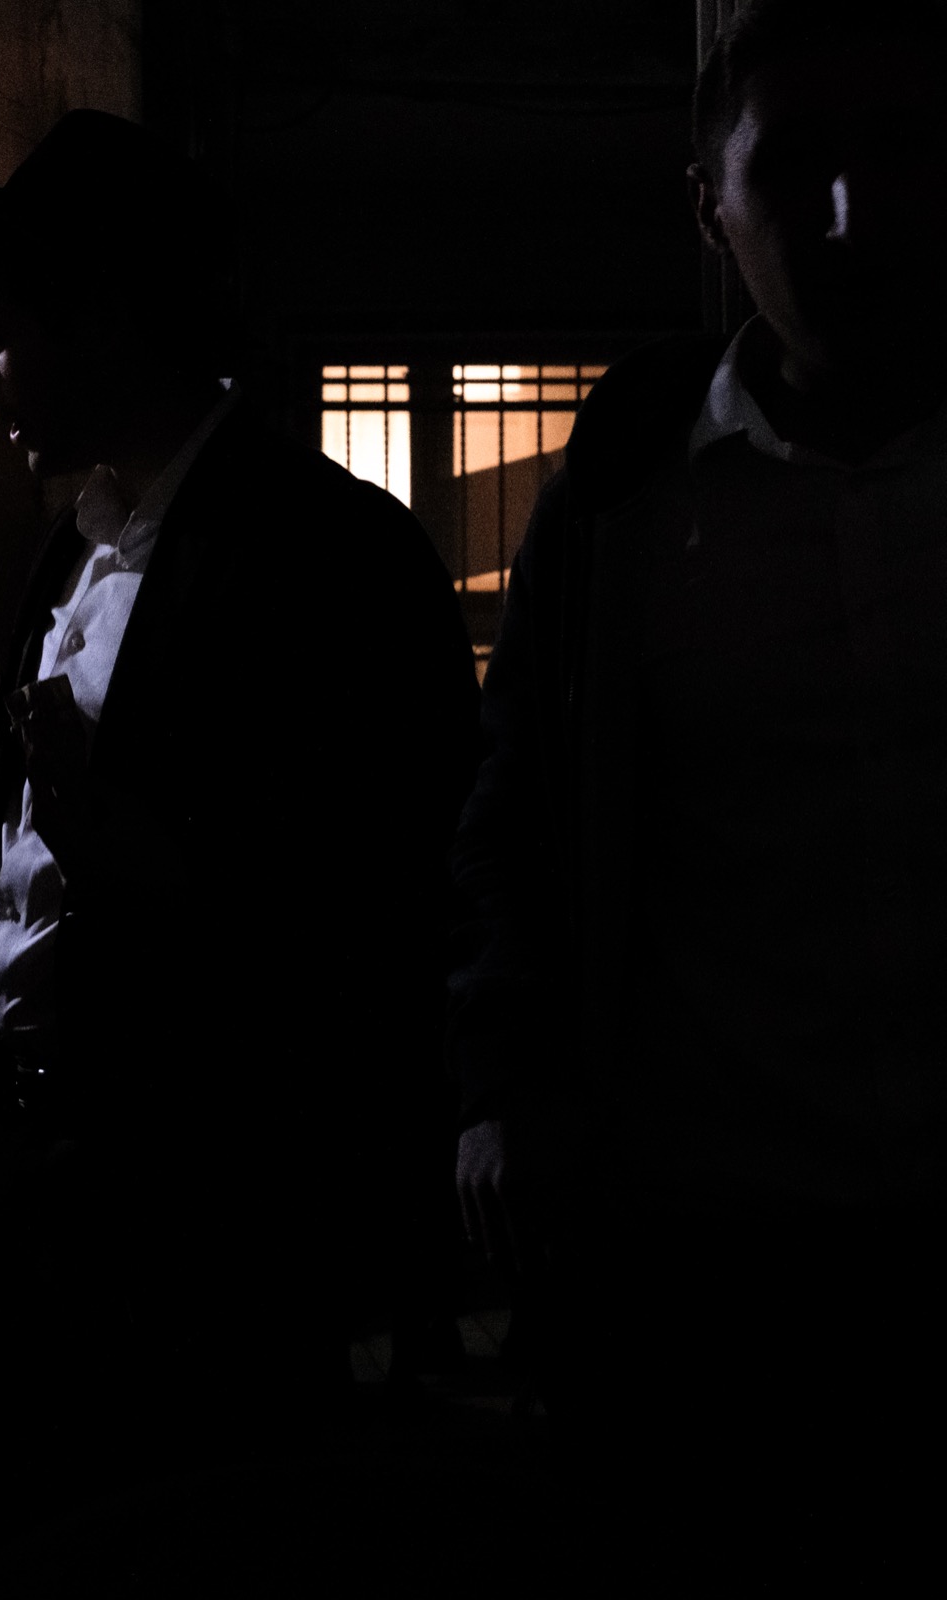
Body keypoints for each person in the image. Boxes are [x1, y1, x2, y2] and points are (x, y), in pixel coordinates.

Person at [0, 110, 479, 1555]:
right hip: (34, 1218)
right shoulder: (78, 538)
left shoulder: (326, 556)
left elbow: (380, 896)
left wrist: (148, 842)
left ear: (110, 324)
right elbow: (32, 830)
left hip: (198, 1240)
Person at [450, 0, 947, 1579]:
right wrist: (510, 1085)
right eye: (795, 169)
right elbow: (516, 800)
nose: (855, 216)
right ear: (708, 210)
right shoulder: (629, 491)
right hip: (710, 1246)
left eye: (902, 158)